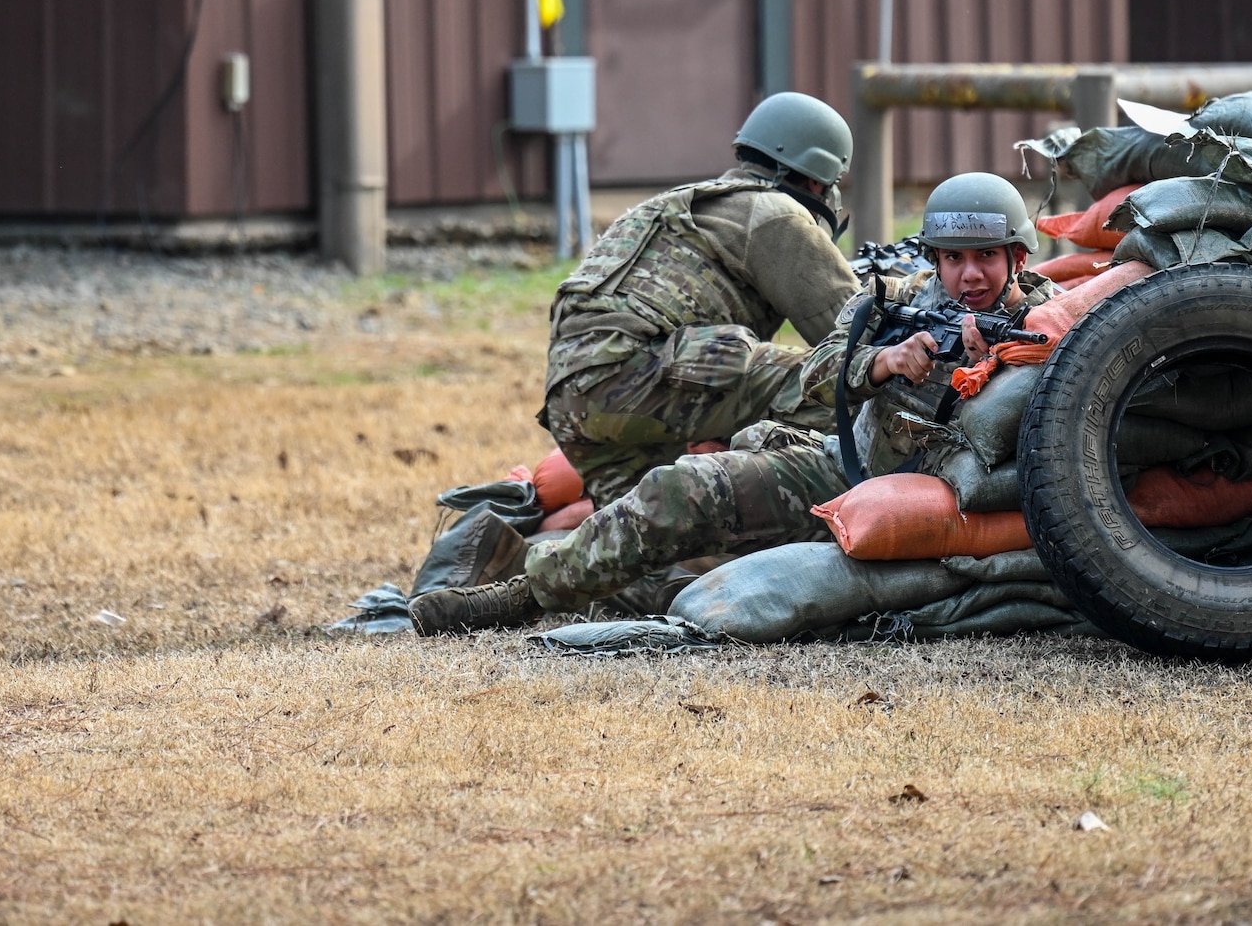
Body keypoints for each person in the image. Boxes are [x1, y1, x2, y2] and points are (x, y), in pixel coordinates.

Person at [409, 173, 1059, 635]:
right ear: (933, 259)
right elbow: (816, 376)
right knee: (686, 488)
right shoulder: (895, 300)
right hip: (847, 468)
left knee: (695, 560)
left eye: (984, 258)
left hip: (936, 494)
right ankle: (525, 592)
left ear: (1018, 255)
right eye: (953, 259)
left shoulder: (1048, 316)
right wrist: (879, 361)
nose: (969, 275)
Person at [538, 91, 861, 510]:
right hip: (640, 376)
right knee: (842, 389)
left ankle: (512, 559)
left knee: (640, 541)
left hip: (570, 400)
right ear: (818, 180)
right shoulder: (775, 214)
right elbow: (854, 336)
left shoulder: (679, 205)